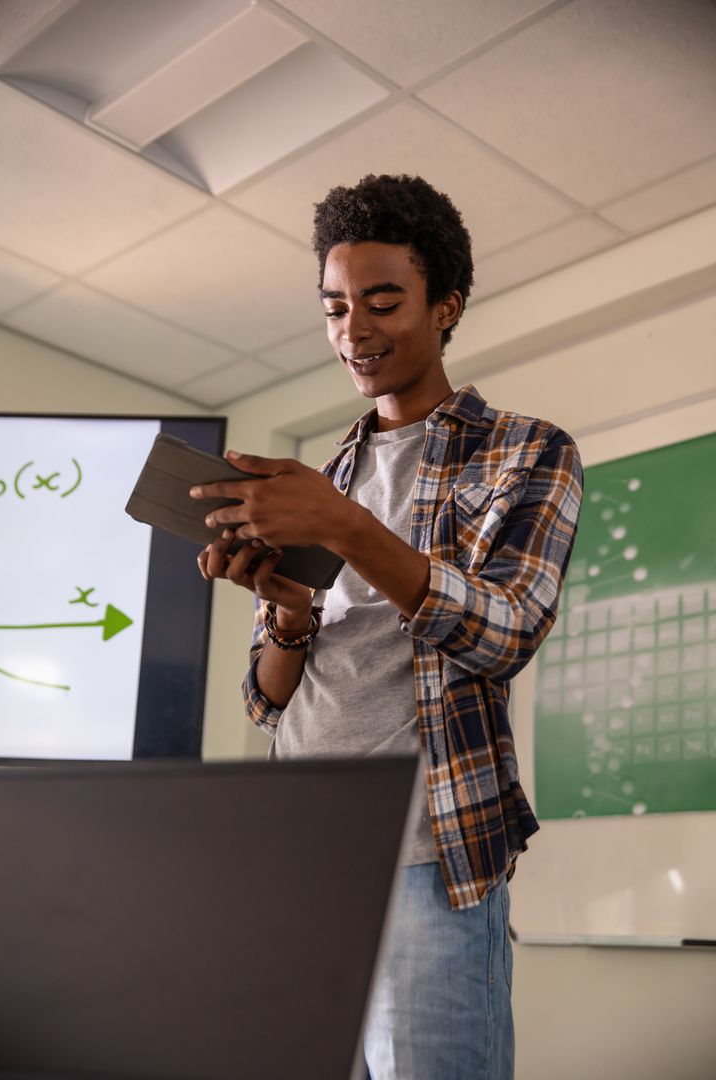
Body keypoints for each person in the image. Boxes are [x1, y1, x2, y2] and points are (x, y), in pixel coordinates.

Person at [191, 174, 583, 1080]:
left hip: (427, 859)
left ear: (445, 307)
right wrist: (288, 615)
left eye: (381, 301)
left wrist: (345, 528)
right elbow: (266, 700)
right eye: (334, 307)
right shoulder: (322, 474)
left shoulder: (526, 450)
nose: (352, 331)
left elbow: (505, 634)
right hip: (303, 858)